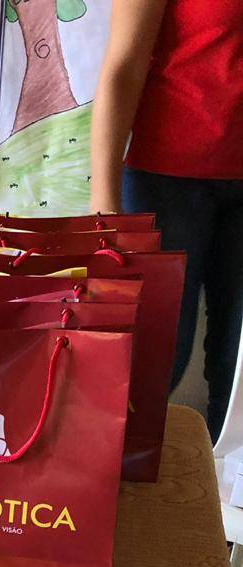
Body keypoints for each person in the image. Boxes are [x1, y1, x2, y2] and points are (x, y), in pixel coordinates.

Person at [91, 0, 243, 440]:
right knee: (155, 361)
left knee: (236, 372)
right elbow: (123, 67)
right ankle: (115, 477)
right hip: (166, 183)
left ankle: (217, 480)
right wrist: (105, 209)